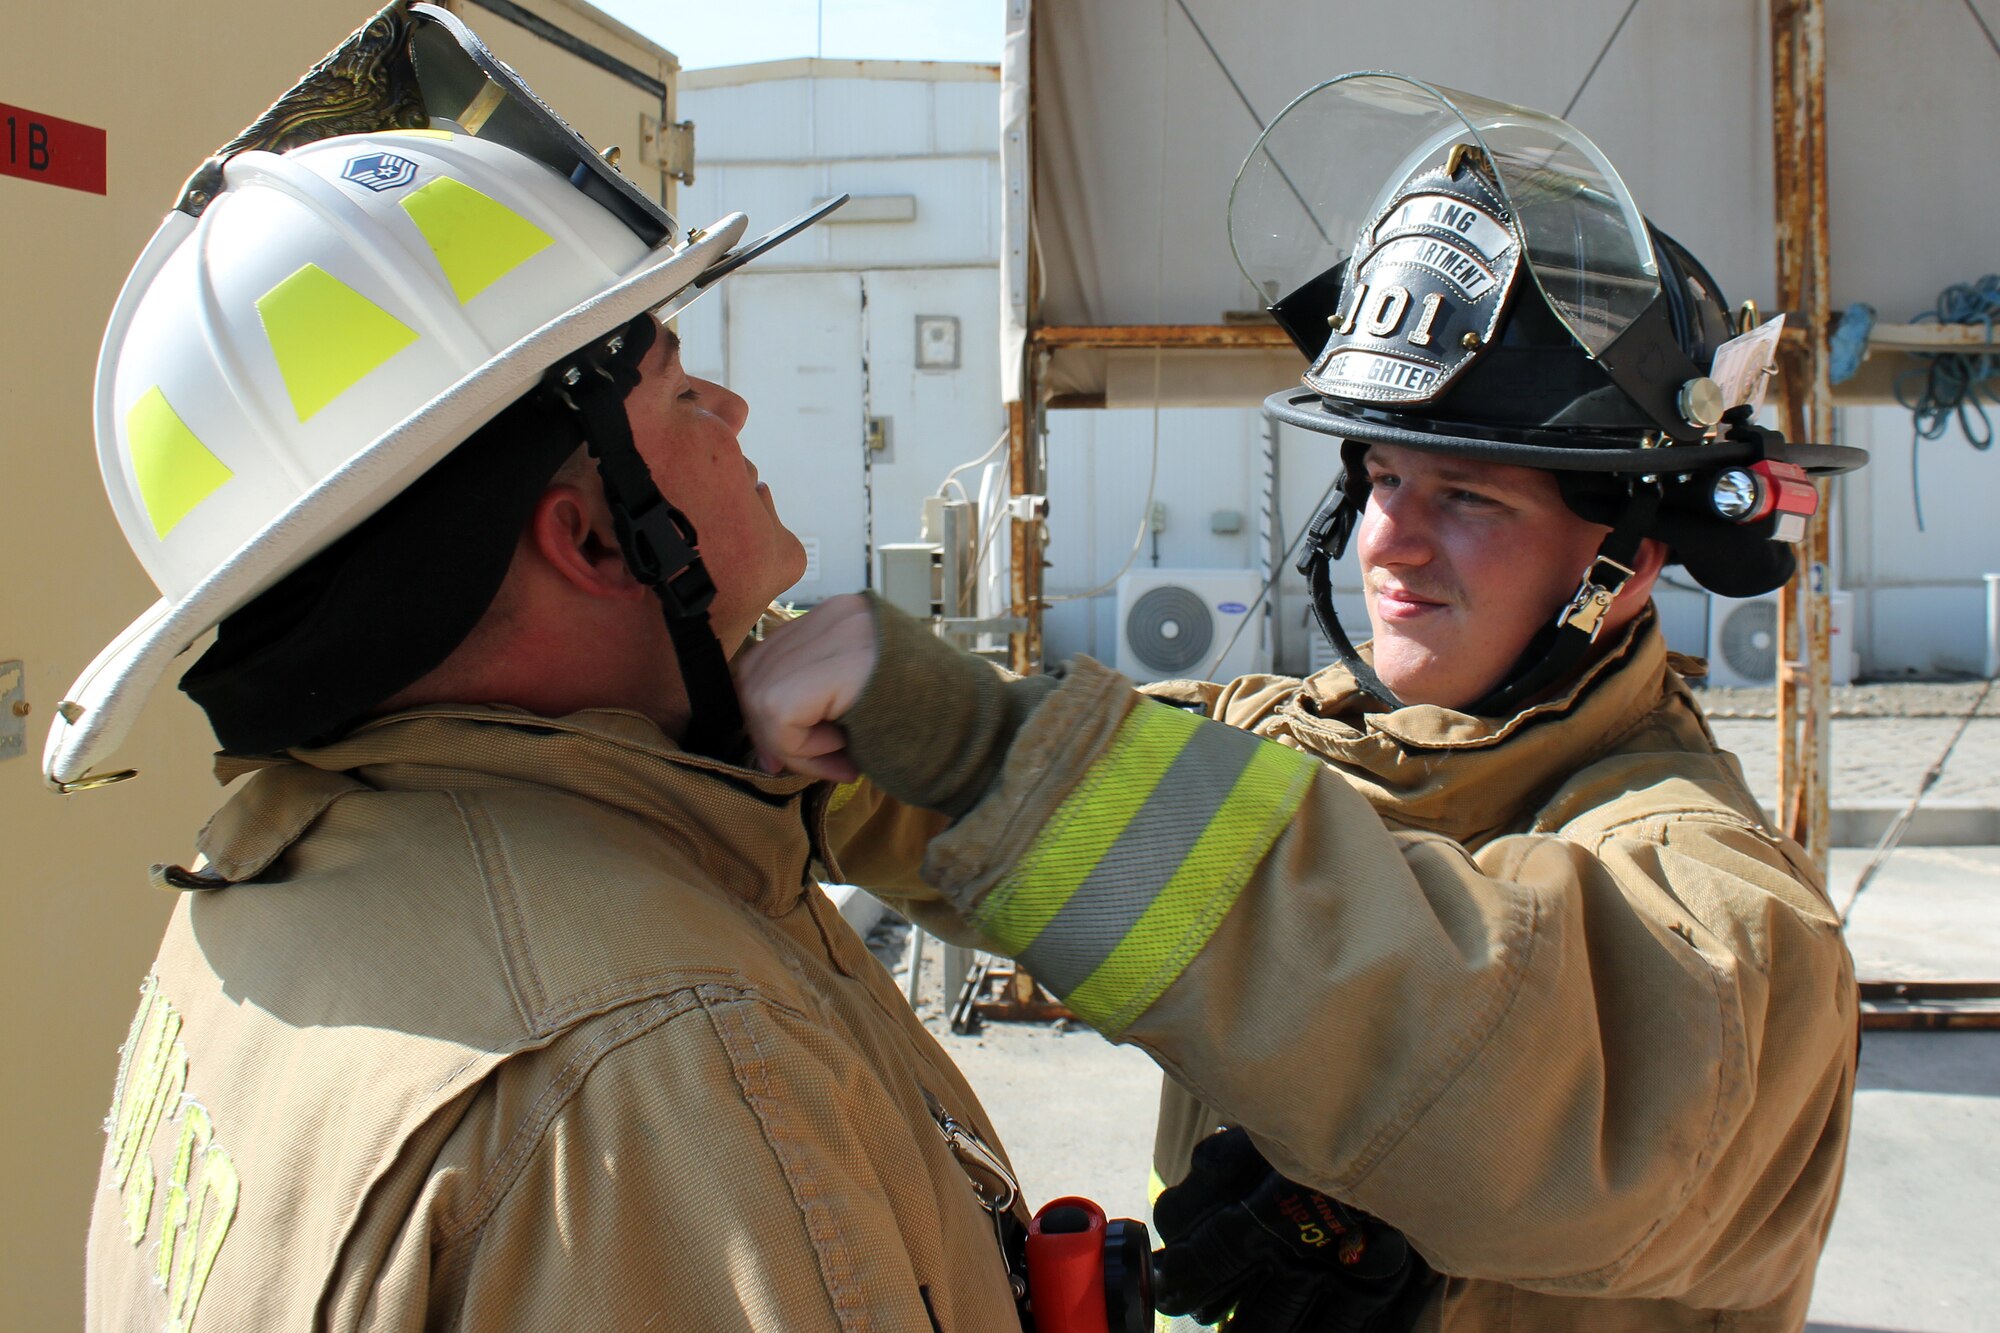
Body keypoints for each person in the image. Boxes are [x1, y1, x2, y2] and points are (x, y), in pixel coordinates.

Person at [736, 75, 1868, 1331]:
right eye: (1381, 475)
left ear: (1628, 561)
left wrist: (965, 740)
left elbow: (1526, 1081)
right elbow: (998, 823)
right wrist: (749, 677)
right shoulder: (1295, 751)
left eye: (1470, 497)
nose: (1389, 543)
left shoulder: (1723, 903)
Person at [60, 6, 1033, 1328]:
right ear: (589, 537)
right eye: (684, 389)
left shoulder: (263, 877)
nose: (736, 412)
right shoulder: (670, 1061)